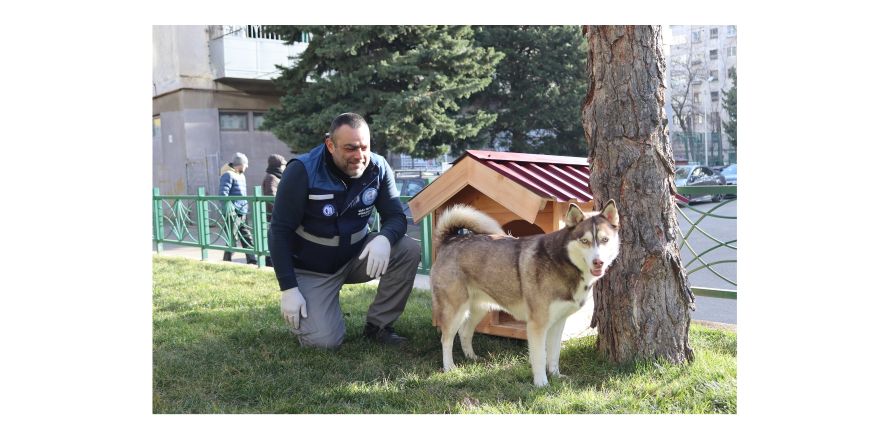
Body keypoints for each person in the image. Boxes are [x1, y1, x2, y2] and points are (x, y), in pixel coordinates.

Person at [270, 112, 420, 348]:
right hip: (313, 268)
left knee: (408, 249)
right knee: (324, 342)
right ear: (330, 145)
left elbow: (396, 217)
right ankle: (315, 309)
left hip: (355, 256)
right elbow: (279, 231)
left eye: (364, 147)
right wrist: (288, 287)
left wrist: (384, 238)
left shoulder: (378, 167)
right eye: (350, 148)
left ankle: (378, 327)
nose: (359, 156)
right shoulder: (302, 170)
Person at [219, 152, 257, 265]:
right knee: (232, 237)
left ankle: (252, 260)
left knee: (246, 236)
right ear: (240, 164)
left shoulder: (241, 175)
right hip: (233, 212)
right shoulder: (228, 175)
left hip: (242, 211)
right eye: (246, 164)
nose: (247, 166)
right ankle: (227, 260)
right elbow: (223, 193)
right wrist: (228, 209)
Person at [261, 154, 287, 267]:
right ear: (277, 166)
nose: (284, 167)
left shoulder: (277, 176)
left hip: (277, 214)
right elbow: (271, 197)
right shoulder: (271, 177)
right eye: (283, 165)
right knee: (275, 238)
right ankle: (269, 260)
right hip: (275, 215)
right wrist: (279, 212)